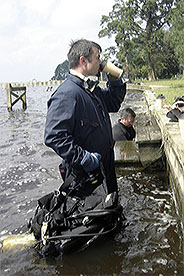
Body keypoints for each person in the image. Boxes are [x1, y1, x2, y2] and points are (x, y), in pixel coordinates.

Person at [44, 39, 126, 195]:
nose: (100, 62)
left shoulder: (90, 89)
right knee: (92, 216)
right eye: (97, 57)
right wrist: (83, 158)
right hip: (86, 177)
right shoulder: (67, 93)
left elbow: (113, 104)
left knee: (110, 210)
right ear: (83, 60)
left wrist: (115, 79)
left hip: (104, 169)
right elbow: (54, 136)